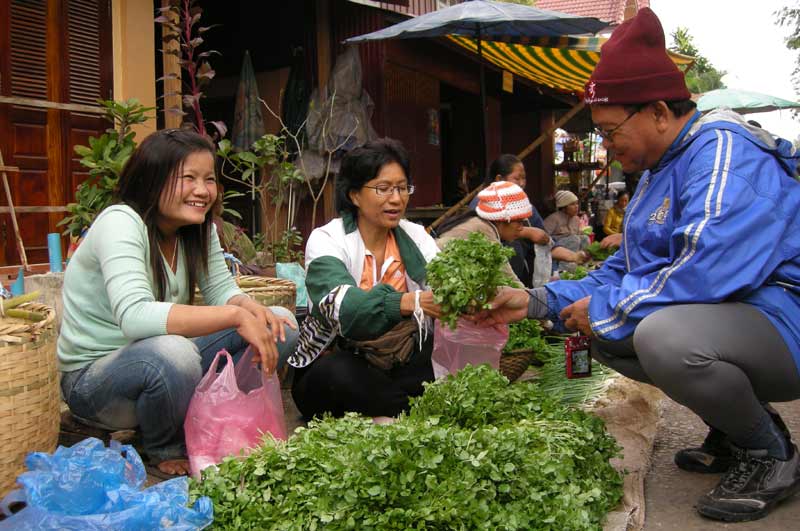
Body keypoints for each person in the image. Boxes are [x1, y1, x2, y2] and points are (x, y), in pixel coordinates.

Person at [472, 8, 800, 523]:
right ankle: (736, 429)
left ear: (660, 112)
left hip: (785, 316)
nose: (605, 144)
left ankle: (768, 453)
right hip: (739, 319)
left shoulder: (722, 153)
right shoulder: (654, 171)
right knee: (611, 333)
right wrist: (534, 301)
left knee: (660, 336)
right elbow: (623, 269)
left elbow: (705, 271)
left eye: (609, 130)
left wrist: (601, 308)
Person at [58, 129, 299, 476]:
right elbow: (134, 316)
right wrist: (234, 315)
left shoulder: (199, 229)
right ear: (153, 178)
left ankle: (221, 418)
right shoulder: (121, 222)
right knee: (175, 353)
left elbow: (222, 291)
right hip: (96, 384)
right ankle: (163, 445)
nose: (203, 191)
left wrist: (250, 309)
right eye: (188, 178)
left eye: (209, 180)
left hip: (162, 367)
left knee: (280, 324)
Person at [290, 138, 441, 419]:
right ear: (354, 195)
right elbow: (346, 308)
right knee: (337, 374)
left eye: (402, 188)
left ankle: (393, 409)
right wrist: (411, 301)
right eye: (383, 189)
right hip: (344, 358)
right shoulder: (327, 239)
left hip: (401, 357)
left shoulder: (416, 237)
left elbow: (443, 284)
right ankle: (408, 409)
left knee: (443, 360)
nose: (396, 199)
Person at [465, 154, 586, 286]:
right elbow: (481, 234)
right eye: (517, 178)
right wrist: (526, 232)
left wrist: (574, 257)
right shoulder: (483, 203)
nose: (522, 183)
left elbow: (545, 240)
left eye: (524, 178)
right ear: (499, 179)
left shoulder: (526, 206)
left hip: (523, 279)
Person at [437, 181, 533, 286]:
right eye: (518, 221)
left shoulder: (479, 223)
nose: (521, 228)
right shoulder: (484, 231)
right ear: (500, 220)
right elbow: (512, 283)